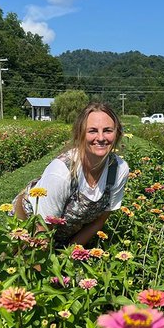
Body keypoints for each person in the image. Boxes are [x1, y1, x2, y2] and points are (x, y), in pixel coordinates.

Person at [12, 101, 130, 247]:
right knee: (16, 263)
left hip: (64, 232)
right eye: (92, 131)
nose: (100, 138)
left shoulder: (118, 169)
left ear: (117, 133)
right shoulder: (62, 172)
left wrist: (70, 254)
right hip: (29, 225)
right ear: (80, 134)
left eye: (107, 130)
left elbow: (100, 221)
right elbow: (42, 232)